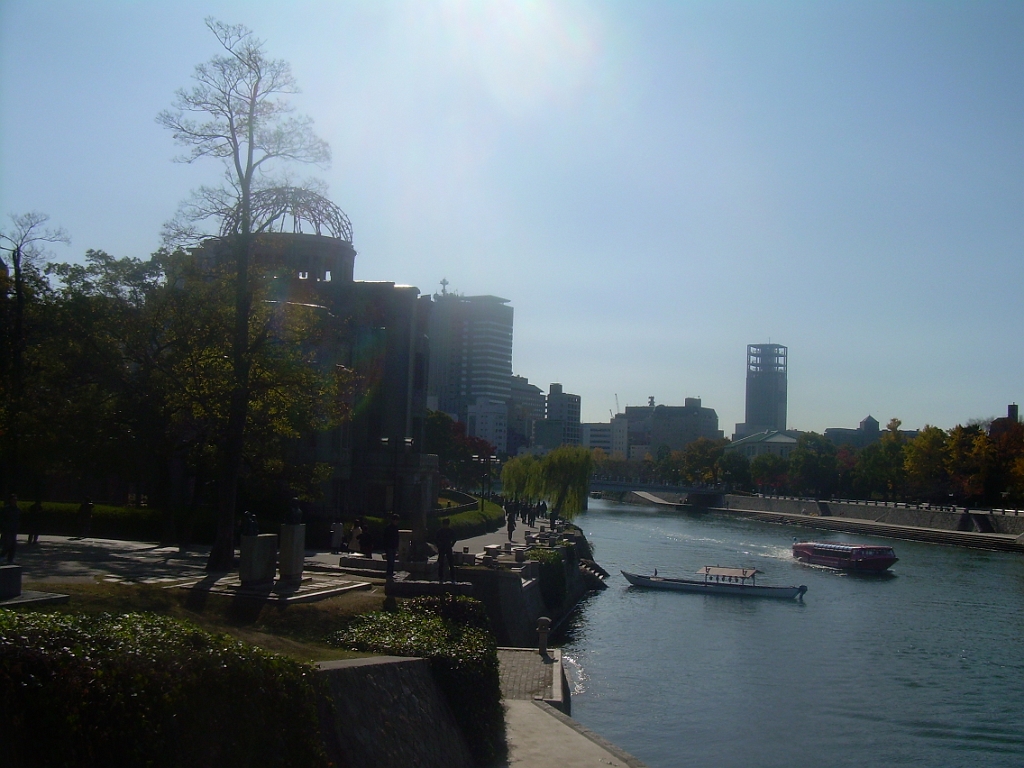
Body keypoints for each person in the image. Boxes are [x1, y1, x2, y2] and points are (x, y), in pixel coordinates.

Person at [435, 518, 457, 583]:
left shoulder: (450, 531)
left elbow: (455, 538)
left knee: (451, 563)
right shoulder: (440, 531)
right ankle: (441, 578)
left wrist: (451, 544)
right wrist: (438, 545)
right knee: (441, 563)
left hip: (448, 547)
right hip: (441, 548)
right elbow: (436, 539)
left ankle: (453, 578)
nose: (445, 526)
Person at [2, 494, 21, 564]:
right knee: (7, 544)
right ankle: (2, 556)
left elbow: (19, 518)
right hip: (7, 529)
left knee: (13, 544)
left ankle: (10, 559)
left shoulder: (17, 509)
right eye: (13, 500)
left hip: (14, 529)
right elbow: (2, 519)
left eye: (16, 500)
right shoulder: (6, 509)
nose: (15, 501)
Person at [383, 514, 400, 580]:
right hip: (389, 546)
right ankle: (389, 574)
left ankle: (390, 573)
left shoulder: (395, 528)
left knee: (392, 561)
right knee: (390, 561)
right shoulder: (389, 528)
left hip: (393, 546)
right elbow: (385, 538)